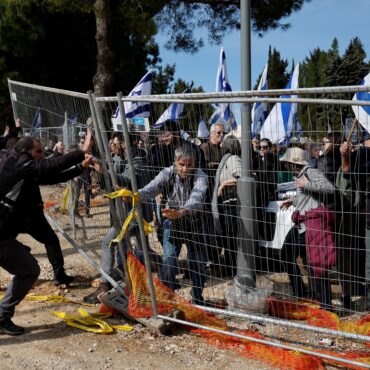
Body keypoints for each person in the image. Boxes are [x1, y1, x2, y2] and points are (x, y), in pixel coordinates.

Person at [0, 134, 93, 335]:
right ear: (26, 152)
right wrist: (80, 151)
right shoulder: (17, 164)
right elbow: (47, 167)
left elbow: (51, 175)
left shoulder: (23, 165)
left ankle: (2, 315)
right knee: (29, 270)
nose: (42, 156)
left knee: (29, 269)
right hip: (5, 232)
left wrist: (80, 167)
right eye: (38, 152)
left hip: (6, 232)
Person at [138, 146, 208, 304]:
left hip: (194, 221)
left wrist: (182, 211)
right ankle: (164, 297)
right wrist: (135, 195)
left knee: (199, 263)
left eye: (189, 165)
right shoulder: (167, 173)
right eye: (182, 164)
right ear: (175, 162)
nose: (185, 169)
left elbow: (197, 197)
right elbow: (151, 188)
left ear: (195, 163)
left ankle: (197, 298)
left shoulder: (200, 176)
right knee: (169, 260)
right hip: (172, 222)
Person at [280, 147, 336, 308]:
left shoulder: (310, 172)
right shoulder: (300, 175)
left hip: (312, 225)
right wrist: (293, 200)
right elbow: (306, 196)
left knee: (317, 264)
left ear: (293, 163)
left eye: (287, 163)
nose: (286, 166)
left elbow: (330, 189)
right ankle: (300, 292)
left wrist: (307, 184)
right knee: (286, 254)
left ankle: (326, 305)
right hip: (302, 224)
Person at [212, 135, 241, 276]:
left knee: (232, 238)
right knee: (229, 238)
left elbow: (241, 177)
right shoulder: (227, 160)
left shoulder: (233, 159)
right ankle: (231, 267)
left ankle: (234, 269)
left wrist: (224, 184)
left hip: (233, 204)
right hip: (227, 204)